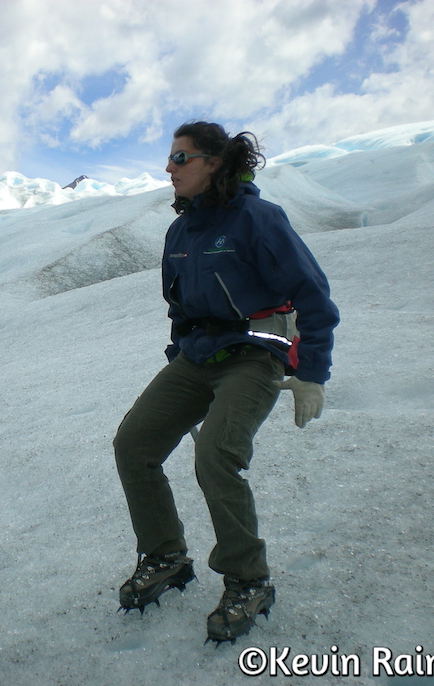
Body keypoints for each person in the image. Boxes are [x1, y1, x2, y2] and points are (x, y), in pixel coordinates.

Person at [114, 122, 339, 644]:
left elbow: (315, 298)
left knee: (215, 454)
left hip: (254, 357)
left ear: (214, 163)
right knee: (134, 444)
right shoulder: (180, 232)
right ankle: (166, 556)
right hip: (196, 358)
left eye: (181, 157)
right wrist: (179, 359)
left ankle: (248, 580)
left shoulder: (258, 219)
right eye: (170, 157)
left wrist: (311, 374)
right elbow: (180, 307)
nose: (169, 167)